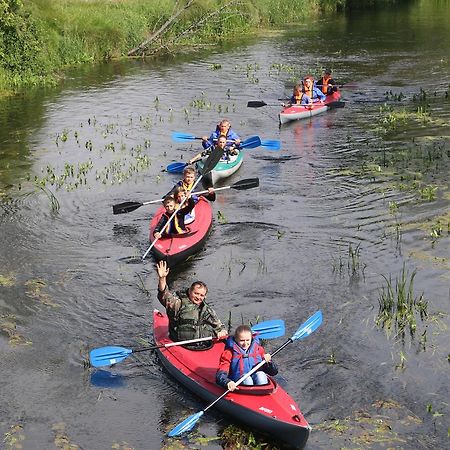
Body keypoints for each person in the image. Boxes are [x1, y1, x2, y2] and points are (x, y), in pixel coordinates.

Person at [156, 260, 228, 347]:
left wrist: (222, 332)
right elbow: (164, 295)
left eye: (201, 295)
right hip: (180, 344)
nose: (198, 297)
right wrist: (162, 278)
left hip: (202, 346)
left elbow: (219, 326)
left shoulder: (206, 310)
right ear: (189, 291)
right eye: (196, 293)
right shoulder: (178, 304)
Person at [216, 324, 278, 391]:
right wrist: (227, 382)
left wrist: (269, 363)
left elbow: (273, 372)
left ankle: (263, 394)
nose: (245, 343)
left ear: (251, 338)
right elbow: (221, 373)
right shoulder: (229, 353)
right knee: (247, 379)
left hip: (257, 380)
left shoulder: (258, 350)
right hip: (239, 381)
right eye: (242, 340)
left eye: (248, 340)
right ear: (236, 339)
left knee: (261, 374)